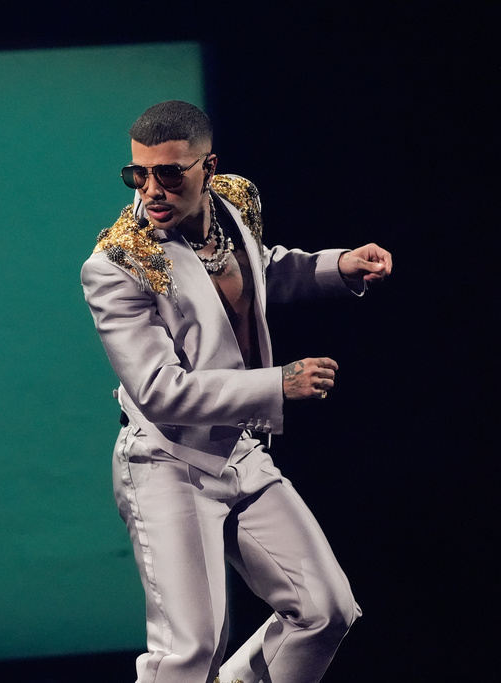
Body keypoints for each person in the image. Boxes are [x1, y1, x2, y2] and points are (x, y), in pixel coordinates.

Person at [80, 100, 392, 683]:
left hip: (238, 451)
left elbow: (251, 270)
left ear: (208, 168)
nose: (152, 191)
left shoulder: (234, 200)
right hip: (166, 461)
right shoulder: (119, 262)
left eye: (169, 173)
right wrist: (278, 383)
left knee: (324, 611)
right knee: (190, 653)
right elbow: (159, 390)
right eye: (137, 175)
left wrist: (338, 266)